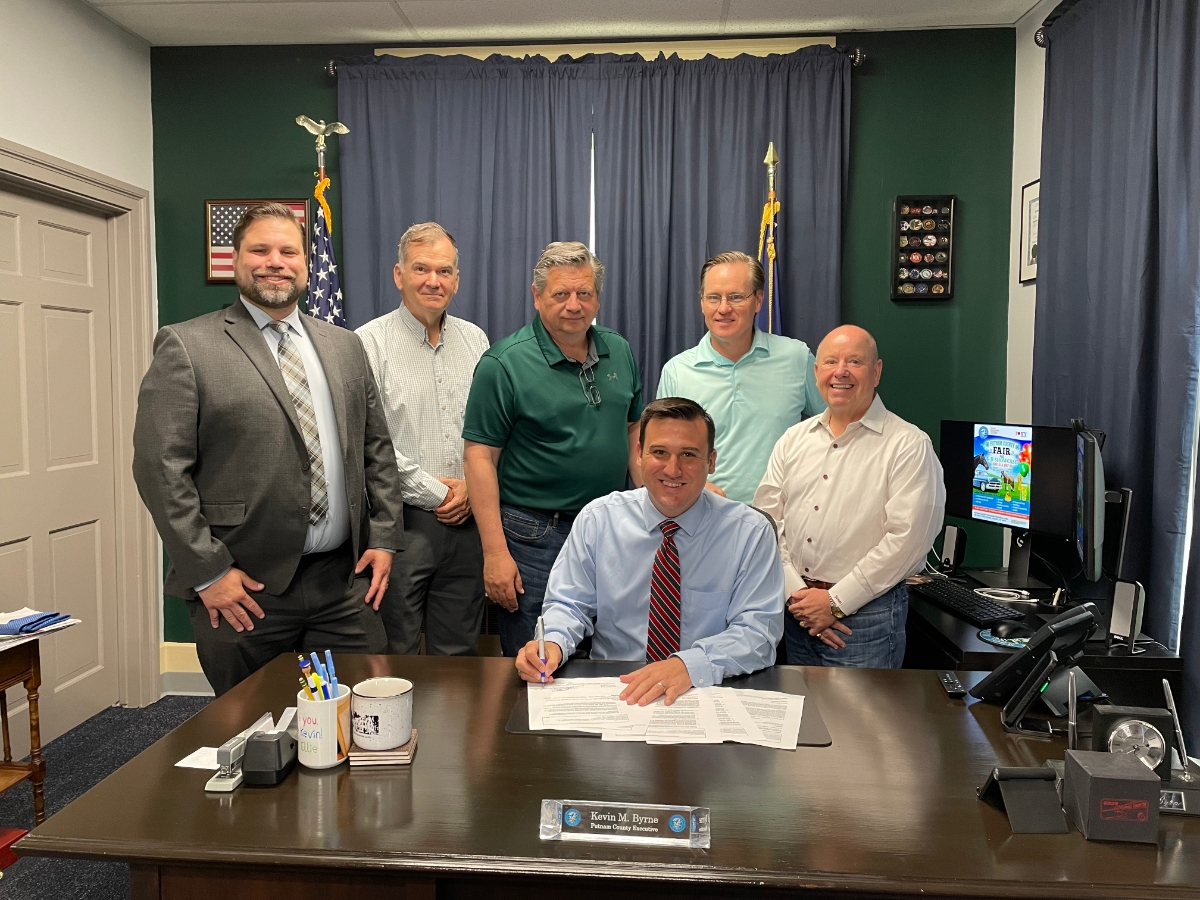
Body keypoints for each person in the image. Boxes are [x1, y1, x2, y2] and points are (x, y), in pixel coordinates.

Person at [132, 203, 404, 696]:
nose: (275, 261)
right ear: (236, 260)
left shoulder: (345, 346)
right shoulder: (188, 346)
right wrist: (208, 572)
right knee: (258, 734)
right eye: (260, 250)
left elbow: (376, 449)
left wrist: (383, 536)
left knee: (361, 720)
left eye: (288, 251)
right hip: (242, 589)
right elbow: (159, 469)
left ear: (306, 262)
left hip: (343, 585)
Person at [514, 398, 783, 705]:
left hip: (708, 689)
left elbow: (758, 633)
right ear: (639, 455)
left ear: (711, 461)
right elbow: (569, 604)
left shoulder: (750, 532)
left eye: (689, 455)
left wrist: (687, 665)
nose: (673, 469)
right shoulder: (598, 519)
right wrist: (551, 645)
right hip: (617, 689)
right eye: (659, 452)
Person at [463, 241, 643, 657]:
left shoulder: (619, 349)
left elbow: (635, 432)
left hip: (610, 529)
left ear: (598, 296)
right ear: (537, 295)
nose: (574, 305)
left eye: (584, 293)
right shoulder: (503, 363)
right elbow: (479, 458)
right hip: (534, 535)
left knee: (609, 651)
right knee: (540, 658)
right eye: (561, 294)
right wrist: (494, 553)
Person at [752, 325, 944, 668]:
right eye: (830, 362)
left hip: (867, 621)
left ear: (876, 372)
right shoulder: (793, 440)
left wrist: (836, 602)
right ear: (816, 372)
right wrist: (800, 597)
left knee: (859, 724)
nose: (840, 371)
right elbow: (767, 523)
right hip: (795, 614)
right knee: (801, 719)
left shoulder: (909, 446)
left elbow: (908, 542)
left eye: (854, 361)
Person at [357, 223, 490, 656]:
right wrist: (437, 494)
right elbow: (367, 441)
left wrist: (474, 488)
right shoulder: (367, 344)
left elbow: (489, 429)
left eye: (445, 271)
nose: (434, 280)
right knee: (396, 651)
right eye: (421, 269)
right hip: (402, 524)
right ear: (399, 275)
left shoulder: (476, 341)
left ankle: (455, 729)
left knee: (460, 654)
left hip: (470, 523)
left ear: (456, 279)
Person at [657, 251, 824, 503]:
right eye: (713, 297)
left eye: (736, 297)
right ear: (702, 302)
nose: (724, 308)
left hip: (783, 516)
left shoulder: (796, 358)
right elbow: (661, 452)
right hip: (703, 514)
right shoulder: (677, 371)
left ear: (758, 301)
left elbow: (838, 426)